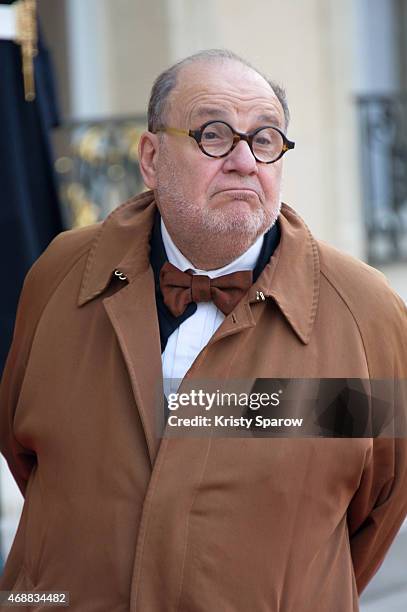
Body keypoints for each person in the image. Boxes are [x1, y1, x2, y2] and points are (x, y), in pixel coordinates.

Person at [0, 49, 406, 612]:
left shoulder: (366, 315)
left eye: (265, 139)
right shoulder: (59, 277)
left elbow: (379, 501)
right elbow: (28, 454)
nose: (244, 161)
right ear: (151, 156)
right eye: (214, 134)